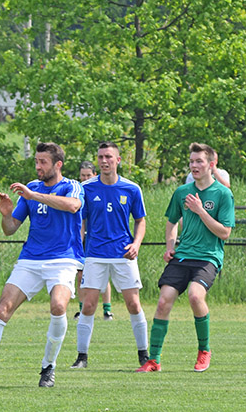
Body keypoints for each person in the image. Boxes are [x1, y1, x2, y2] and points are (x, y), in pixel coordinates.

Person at [0, 142, 83, 388]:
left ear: (58, 164)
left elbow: (72, 206)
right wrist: (6, 214)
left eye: (43, 162)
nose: (38, 166)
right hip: (30, 259)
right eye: (36, 161)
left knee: (59, 306)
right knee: (2, 310)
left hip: (63, 259)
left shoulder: (72, 186)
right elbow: (10, 229)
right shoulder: (31, 189)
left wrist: (33, 195)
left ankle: (48, 367)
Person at [137, 143, 235, 373]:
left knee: (194, 295)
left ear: (211, 165)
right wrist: (170, 246)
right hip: (183, 256)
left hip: (208, 258)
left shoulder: (223, 194)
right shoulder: (182, 192)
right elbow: (171, 222)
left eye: (199, 161)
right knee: (163, 301)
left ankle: (204, 350)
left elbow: (225, 232)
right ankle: (154, 360)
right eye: (191, 161)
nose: (194, 166)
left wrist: (201, 210)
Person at [71, 141, 149, 369]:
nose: (104, 161)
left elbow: (140, 220)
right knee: (88, 305)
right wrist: (78, 250)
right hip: (95, 254)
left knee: (133, 304)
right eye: (101, 157)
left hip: (123, 254)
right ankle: (81, 357)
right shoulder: (87, 188)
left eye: (108, 157)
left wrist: (136, 243)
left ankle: (144, 355)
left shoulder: (132, 189)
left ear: (118, 160)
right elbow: (81, 223)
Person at [74, 161, 113, 320]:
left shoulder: (98, 190)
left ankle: (107, 310)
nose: (84, 178)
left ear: (94, 175)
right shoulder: (77, 192)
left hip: (100, 238)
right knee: (80, 274)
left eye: (88, 175)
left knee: (103, 274)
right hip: (84, 238)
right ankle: (82, 308)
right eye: (82, 175)